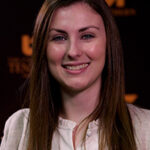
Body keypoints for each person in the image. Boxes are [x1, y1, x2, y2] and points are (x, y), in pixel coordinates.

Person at [1, 0, 150, 150]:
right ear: (42, 47)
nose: (73, 52)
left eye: (87, 36)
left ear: (109, 42)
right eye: (59, 38)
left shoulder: (146, 128)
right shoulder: (20, 127)